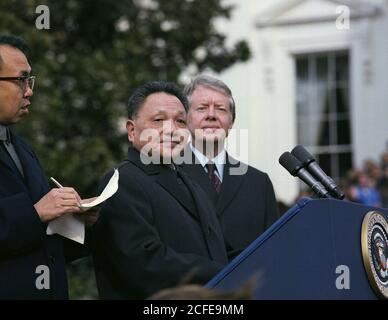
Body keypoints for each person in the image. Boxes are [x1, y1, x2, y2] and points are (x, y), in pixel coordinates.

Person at [91, 81, 228, 299]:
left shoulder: (191, 182)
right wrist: (222, 274)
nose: (171, 129)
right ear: (131, 130)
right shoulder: (122, 180)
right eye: (158, 120)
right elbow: (144, 263)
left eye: (180, 121)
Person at [0, 35, 92, 299]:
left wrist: (75, 222)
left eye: (30, 80)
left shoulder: (21, 147)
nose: (29, 91)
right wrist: (37, 212)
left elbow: (38, 239)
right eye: (20, 80)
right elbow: (34, 217)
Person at [181, 75, 279, 261]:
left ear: (231, 122)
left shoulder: (259, 183)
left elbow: (273, 250)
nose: (211, 115)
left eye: (220, 109)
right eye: (202, 108)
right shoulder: (168, 175)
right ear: (186, 119)